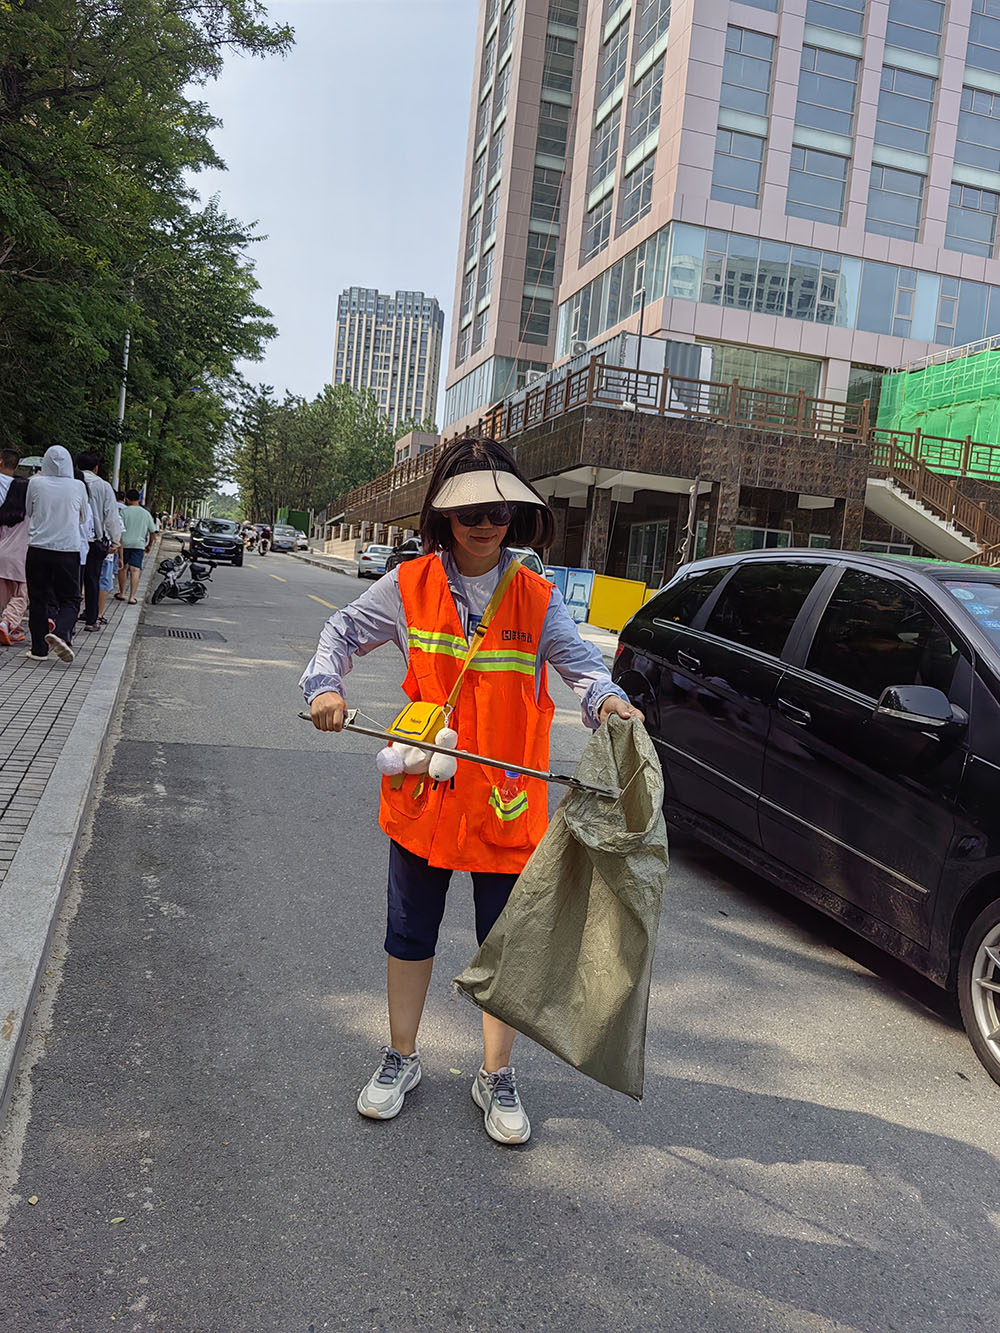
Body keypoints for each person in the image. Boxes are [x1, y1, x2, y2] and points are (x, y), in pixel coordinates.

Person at [301, 437, 643, 1146]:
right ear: (444, 518)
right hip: (425, 799)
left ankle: (495, 1074)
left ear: (515, 514)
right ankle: (401, 1056)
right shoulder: (408, 585)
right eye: (468, 512)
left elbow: (583, 669)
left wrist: (610, 702)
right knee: (409, 932)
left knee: (504, 943)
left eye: (497, 509)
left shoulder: (538, 597)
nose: (484, 522)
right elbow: (340, 630)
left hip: (506, 803)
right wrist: (325, 686)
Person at [24, 445, 90, 662]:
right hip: (67, 549)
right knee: (70, 598)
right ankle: (61, 633)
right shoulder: (78, 486)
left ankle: (39, 650)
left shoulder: (35, 483)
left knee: (38, 599)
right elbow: (82, 518)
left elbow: (29, 511)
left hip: (38, 549)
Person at [75, 452, 123, 631]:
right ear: (96, 468)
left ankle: (69, 621)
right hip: (95, 540)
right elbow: (111, 515)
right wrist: (116, 541)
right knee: (92, 579)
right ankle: (91, 620)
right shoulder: (104, 486)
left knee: (74, 581)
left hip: (72, 538)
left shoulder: (72, 481)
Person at [0, 473, 29, 644]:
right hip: (22, 559)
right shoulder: (31, 515)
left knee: (5, 598)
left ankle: (14, 629)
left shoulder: (4, 513)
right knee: (21, 597)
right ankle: (6, 623)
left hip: (2, 558)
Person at [116, 490, 157, 604]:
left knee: (123, 568)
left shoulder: (123, 512)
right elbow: (153, 531)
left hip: (124, 544)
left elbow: (118, 529)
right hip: (139, 545)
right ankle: (132, 597)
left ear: (127, 499)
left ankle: (122, 593)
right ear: (139, 499)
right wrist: (149, 545)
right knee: (135, 570)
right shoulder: (146, 513)